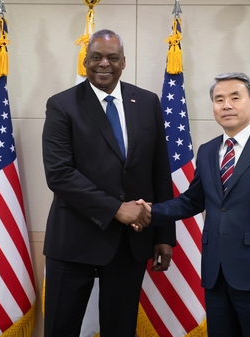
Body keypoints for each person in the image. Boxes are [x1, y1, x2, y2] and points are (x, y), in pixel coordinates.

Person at [136, 72, 250, 337]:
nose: (226, 105)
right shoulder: (208, 150)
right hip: (215, 272)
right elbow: (192, 200)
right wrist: (149, 212)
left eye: (235, 98)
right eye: (219, 99)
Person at [41, 29, 175, 337]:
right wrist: (116, 209)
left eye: (112, 58)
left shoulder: (147, 102)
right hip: (73, 240)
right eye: (97, 57)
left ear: (123, 62)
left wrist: (164, 234)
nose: (104, 64)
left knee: (121, 330)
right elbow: (59, 173)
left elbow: (159, 171)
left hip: (130, 244)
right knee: (61, 329)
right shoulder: (62, 105)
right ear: (85, 61)